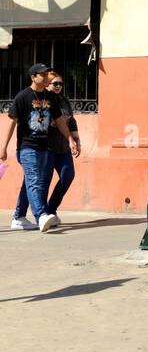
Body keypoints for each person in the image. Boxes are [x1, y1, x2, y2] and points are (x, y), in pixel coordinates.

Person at [1, 64, 75, 232]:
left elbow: (60, 121)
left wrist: (69, 138)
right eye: (42, 74)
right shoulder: (23, 97)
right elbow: (12, 122)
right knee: (34, 181)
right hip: (27, 148)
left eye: (47, 73)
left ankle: (19, 217)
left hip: (45, 147)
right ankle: (41, 215)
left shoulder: (50, 97)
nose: (46, 76)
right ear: (34, 77)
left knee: (30, 182)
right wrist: (3, 147)